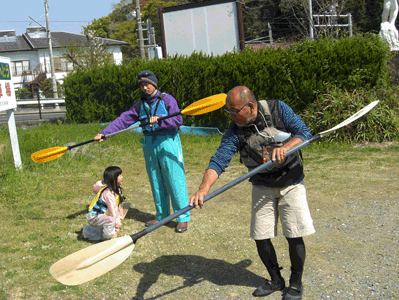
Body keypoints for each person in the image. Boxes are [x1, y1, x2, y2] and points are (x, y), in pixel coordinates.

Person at [190, 86, 315, 300]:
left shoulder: (278, 109)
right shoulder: (235, 129)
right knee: (261, 235)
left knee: (293, 234)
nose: (230, 116)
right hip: (262, 185)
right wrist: (203, 188)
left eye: (234, 110)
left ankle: (295, 284)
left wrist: (287, 146)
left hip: (291, 182)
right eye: (227, 111)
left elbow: (304, 133)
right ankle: (276, 280)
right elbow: (219, 159)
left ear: (250, 106)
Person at [94, 70, 190, 233]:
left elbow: (178, 119)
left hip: (168, 142)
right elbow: (123, 120)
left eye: (147, 84)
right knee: (156, 180)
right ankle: (162, 215)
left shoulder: (167, 99)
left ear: (154, 84)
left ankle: (182, 217)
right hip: (149, 143)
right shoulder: (140, 106)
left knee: (174, 179)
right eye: (142, 85)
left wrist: (161, 120)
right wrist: (105, 132)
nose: (145, 88)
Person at [85, 166, 125, 240]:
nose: (122, 177)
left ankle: (87, 231)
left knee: (111, 222)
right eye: (119, 175)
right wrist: (116, 225)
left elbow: (119, 205)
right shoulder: (108, 193)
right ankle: (106, 238)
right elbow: (112, 210)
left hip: (101, 216)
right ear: (114, 178)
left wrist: (120, 219)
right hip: (94, 216)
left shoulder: (117, 190)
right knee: (111, 221)